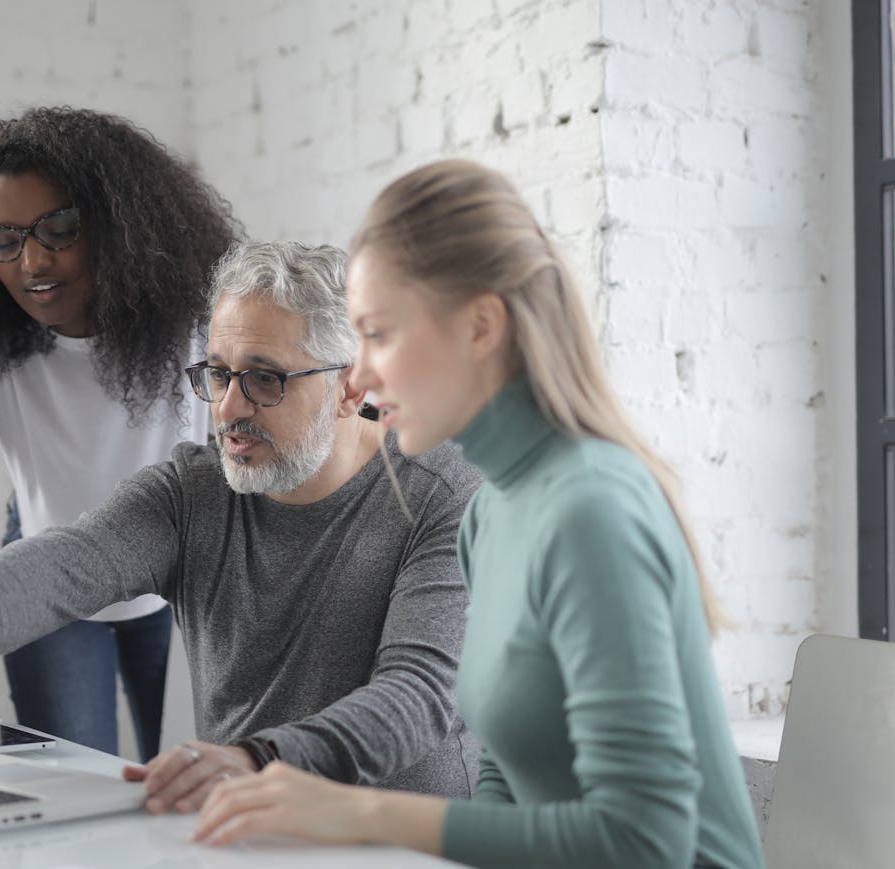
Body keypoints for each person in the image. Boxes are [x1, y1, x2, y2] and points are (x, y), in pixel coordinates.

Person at [192, 161, 765, 868]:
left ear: (480, 326)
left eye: (379, 333)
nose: (361, 375)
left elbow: (644, 842)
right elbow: (506, 773)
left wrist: (360, 811)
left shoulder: (590, 509)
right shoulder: (489, 509)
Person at [0, 241, 481, 814]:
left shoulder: (442, 495)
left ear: (349, 386)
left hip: (404, 840)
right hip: (250, 832)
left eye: (265, 379)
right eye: (217, 374)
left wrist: (258, 761)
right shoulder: (194, 493)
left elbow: (419, 695)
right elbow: (69, 561)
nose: (229, 410)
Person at [0, 106, 239, 761]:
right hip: (48, 585)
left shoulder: (193, 313)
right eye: (6, 238)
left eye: (60, 229)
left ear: (116, 223)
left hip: (184, 583)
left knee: (196, 786)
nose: (33, 261)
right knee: (75, 785)